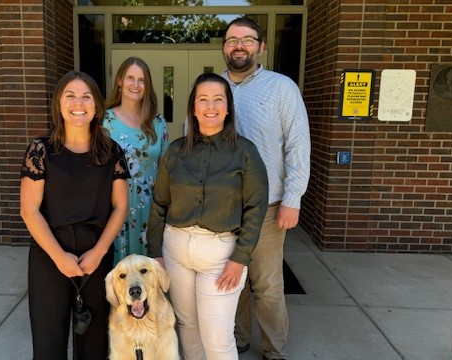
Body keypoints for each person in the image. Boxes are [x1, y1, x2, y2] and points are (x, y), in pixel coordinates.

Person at [147, 72, 268, 360]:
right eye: (203, 99)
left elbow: (256, 208)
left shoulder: (245, 152)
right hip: (175, 249)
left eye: (218, 99)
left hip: (221, 254)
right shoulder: (176, 151)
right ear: (193, 107)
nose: (210, 106)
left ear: (228, 108)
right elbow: (159, 203)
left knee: (217, 337)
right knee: (187, 326)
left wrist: (240, 259)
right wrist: (156, 252)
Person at [20, 70, 129, 359]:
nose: (78, 103)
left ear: (96, 107)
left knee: (93, 342)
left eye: (86, 96)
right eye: (70, 95)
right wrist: (59, 257)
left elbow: (120, 206)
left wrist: (99, 252)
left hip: (96, 254)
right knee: (48, 340)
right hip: (49, 253)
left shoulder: (112, 152)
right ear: (58, 104)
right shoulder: (41, 150)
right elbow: (29, 211)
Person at [221, 17, 311, 360]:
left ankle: (274, 349)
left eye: (246, 40)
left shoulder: (282, 87)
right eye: (231, 40)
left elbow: (298, 146)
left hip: (269, 207)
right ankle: (239, 337)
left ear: (260, 46)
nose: (239, 46)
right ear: (224, 47)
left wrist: (293, 199)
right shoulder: (213, 88)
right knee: (232, 281)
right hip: (224, 206)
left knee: (268, 285)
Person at [104, 57, 169, 264]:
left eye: (141, 80)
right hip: (114, 204)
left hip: (150, 207)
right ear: (120, 81)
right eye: (130, 78)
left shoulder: (157, 122)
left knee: (148, 269)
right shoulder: (104, 122)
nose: (136, 84)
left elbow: (165, 168)